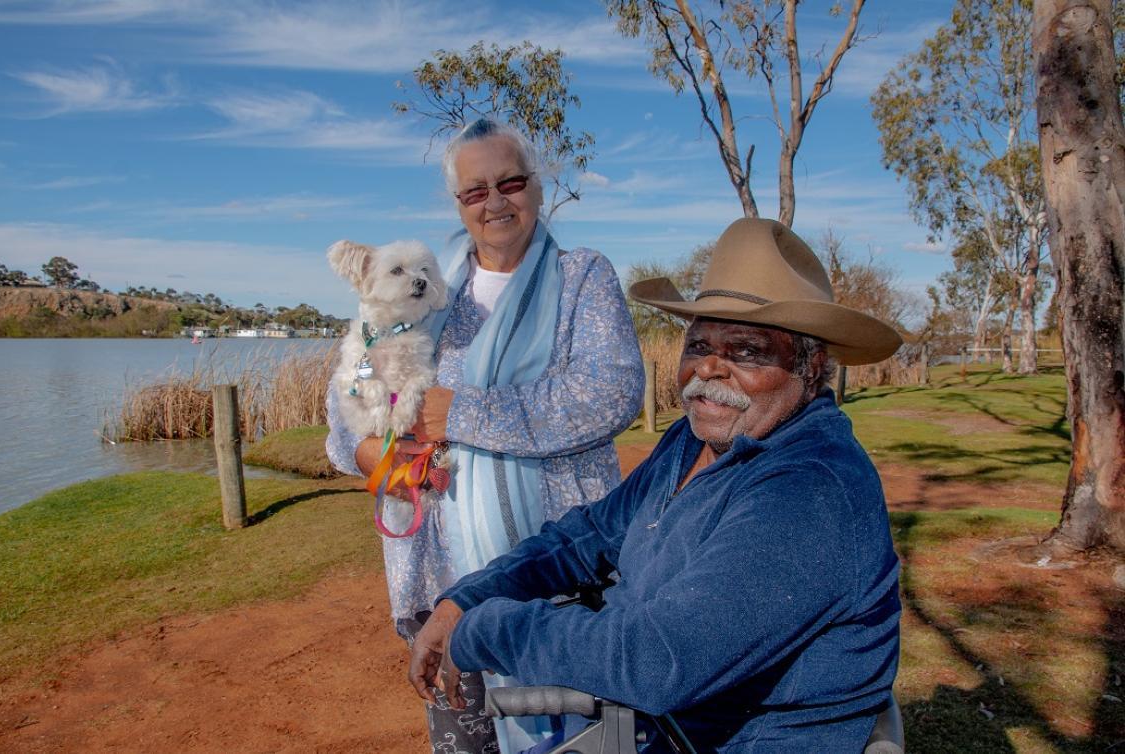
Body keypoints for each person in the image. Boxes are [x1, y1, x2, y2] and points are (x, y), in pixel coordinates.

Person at [409, 218, 904, 753]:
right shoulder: (693, 441)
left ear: (811, 368)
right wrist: (467, 599)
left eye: (746, 351)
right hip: (655, 727)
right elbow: (593, 533)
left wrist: (485, 631)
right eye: (699, 346)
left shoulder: (811, 490)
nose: (709, 368)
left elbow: (655, 659)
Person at [325, 118, 644, 753]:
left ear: (538, 188)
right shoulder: (421, 286)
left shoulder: (583, 278)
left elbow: (609, 394)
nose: (495, 202)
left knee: (573, 739)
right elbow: (350, 394)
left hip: (552, 574)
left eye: (510, 182)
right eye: (475, 191)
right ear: (459, 204)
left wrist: (460, 413)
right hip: (435, 574)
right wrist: (368, 455)